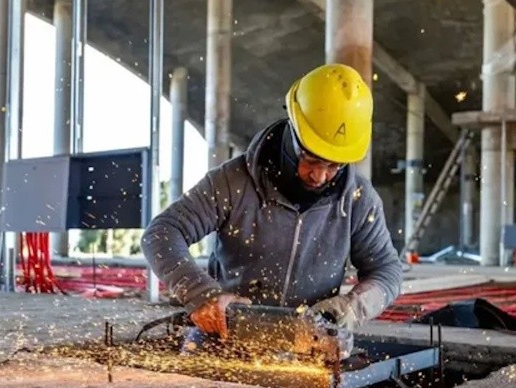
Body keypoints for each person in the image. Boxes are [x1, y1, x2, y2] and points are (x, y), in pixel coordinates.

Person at [141, 63, 403, 346]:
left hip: (312, 346)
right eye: (311, 159)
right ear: (292, 132)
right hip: (226, 339)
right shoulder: (233, 182)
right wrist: (202, 295)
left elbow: (387, 271)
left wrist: (349, 309)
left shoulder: (358, 199)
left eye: (333, 166)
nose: (319, 176)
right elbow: (162, 233)